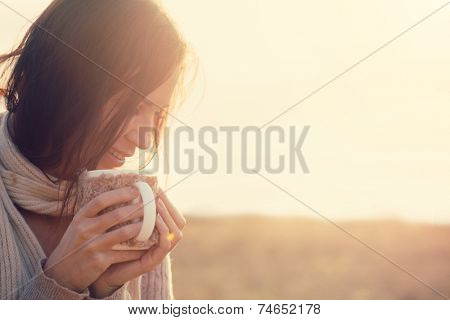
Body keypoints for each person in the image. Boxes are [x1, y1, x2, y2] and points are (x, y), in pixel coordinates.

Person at [0, 0, 192, 299]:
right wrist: (62, 282)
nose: (144, 141)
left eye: (156, 113)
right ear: (66, 80)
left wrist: (105, 292)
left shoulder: (133, 218)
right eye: (131, 107)